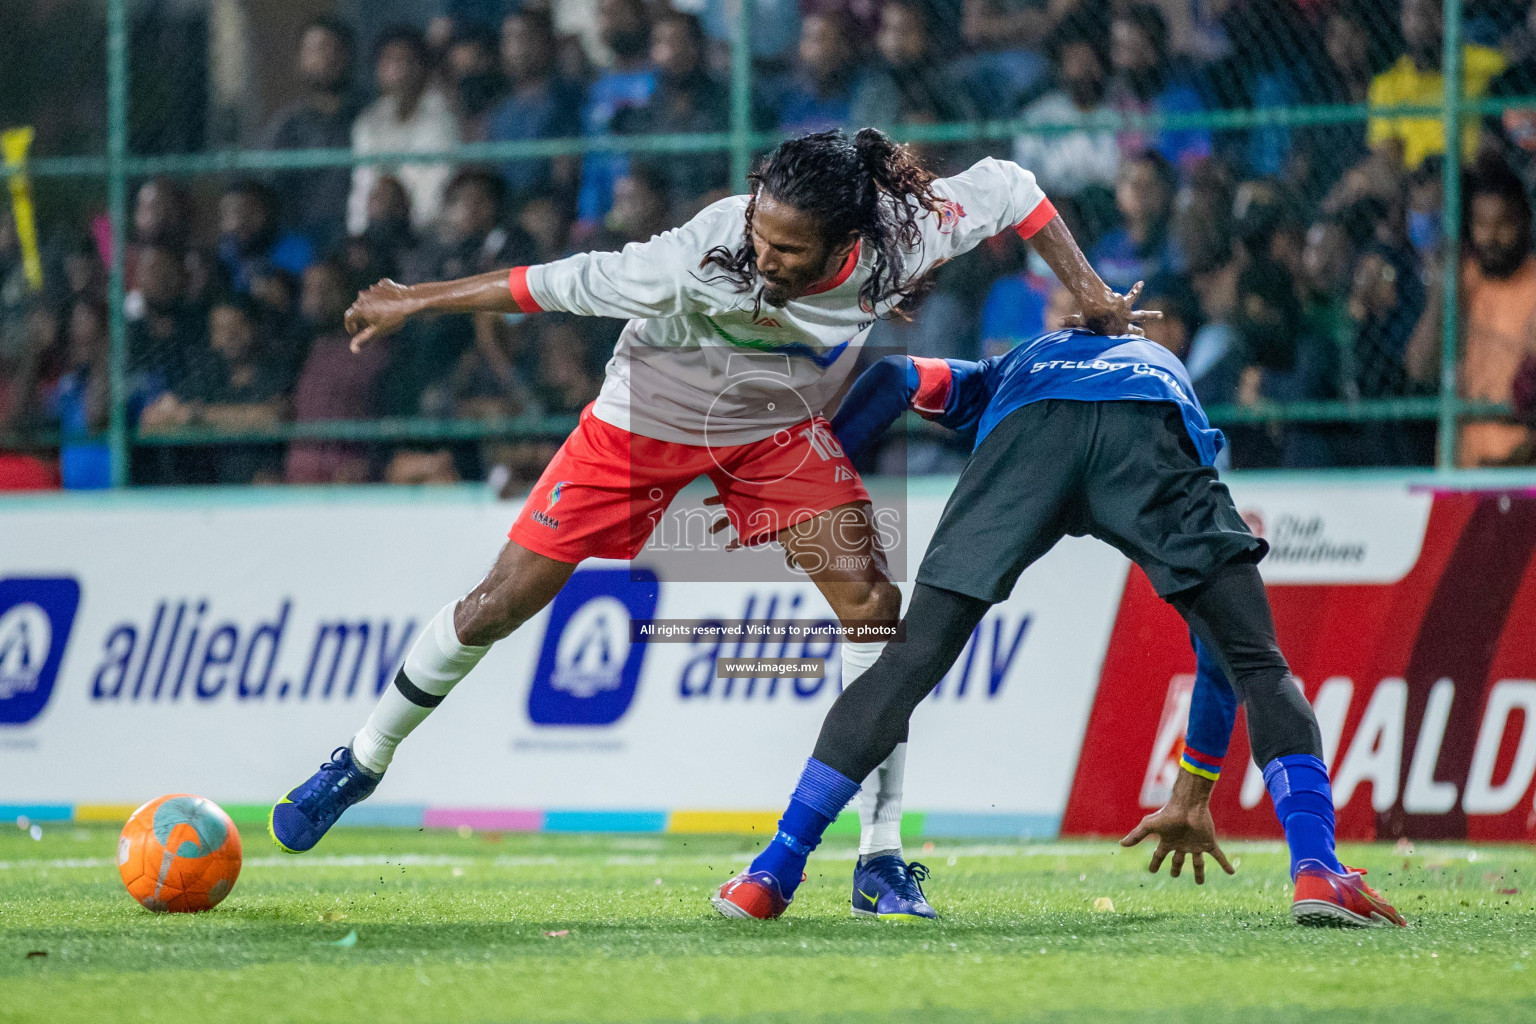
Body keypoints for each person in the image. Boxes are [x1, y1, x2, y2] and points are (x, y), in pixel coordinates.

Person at [268, 128, 1150, 922]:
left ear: (849, 242)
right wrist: (415, 301)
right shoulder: (699, 255)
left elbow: (1013, 186)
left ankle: (879, 857)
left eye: (786, 249)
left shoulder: (905, 234)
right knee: (500, 602)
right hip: (645, 412)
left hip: (770, 421)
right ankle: (362, 758)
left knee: (873, 603)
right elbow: (553, 285)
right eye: (761, 233)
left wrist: (1093, 294)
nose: (762, 254)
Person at [712, 320, 1409, 929]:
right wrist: (1194, 787)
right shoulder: (1160, 363)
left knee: (907, 661)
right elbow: (1219, 660)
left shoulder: (1009, 365)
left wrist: (812, 469)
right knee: (1257, 661)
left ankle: (771, 873)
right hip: (1147, 425)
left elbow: (896, 375)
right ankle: (1317, 869)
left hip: (1028, 432)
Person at [1408, 158, 1536, 467]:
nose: (1490, 237)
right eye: (1481, 224)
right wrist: (1442, 296)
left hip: (1520, 468)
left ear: (1524, 222)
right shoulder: (1461, 280)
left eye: (1503, 224)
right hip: (1462, 466)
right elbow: (1419, 368)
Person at [347, 26, 463, 236]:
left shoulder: (442, 117)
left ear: (422, 67)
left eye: (404, 61)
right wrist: (360, 234)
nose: (396, 70)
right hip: (377, 232)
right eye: (388, 61)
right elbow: (363, 186)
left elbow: (438, 187)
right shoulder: (368, 121)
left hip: (429, 232)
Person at [1367, 0, 1506, 171]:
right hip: (1417, 175)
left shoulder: (1487, 64)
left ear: (1446, 16)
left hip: (1470, 168)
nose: (1419, 21)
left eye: (1426, 10)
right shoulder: (1386, 83)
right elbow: (1385, 149)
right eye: (1411, 12)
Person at [260, 16, 359, 249]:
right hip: (300, 240)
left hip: (357, 240)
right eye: (316, 50)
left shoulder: (370, 118)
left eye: (334, 49)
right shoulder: (286, 127)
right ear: (300, 60)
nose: (326, 57)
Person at [485, 10, 583, 211]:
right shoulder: (499, 112)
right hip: (507, 212)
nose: (516, 48)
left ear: (547, 43)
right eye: (509, 39)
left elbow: (565, 177)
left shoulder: (567, 101)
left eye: (525, 37)